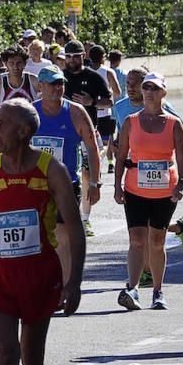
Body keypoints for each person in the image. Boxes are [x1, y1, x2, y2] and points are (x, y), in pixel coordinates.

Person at [0, 99, 85, 365]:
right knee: (6, 354)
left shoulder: (52, 170)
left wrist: (74, 281)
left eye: (1, 124)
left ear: (24, 131)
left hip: (39, 274)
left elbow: (74, 226)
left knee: (32, 357)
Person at [114, 72, 183, 311]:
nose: (149, 92)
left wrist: (181, 183)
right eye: (146, 88)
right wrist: (117, 185)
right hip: (135, 188)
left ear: (163, 93)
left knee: (156, 241)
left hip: (164, 190)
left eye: (155, 88)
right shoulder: (131, 121)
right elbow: (121, 154)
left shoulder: (174, 124)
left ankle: (158, 291)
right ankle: (132, 288)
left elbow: (182, 156)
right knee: (136, 240)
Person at [31, 66, 100, 287]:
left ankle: (64, 286)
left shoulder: (76, 112)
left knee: (63, 237)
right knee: (38, 237)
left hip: (66, 184)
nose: (57, 88)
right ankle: (41, 283)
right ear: (40, 87)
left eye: (60, 83)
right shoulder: (30, 113)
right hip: (35, 185)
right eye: (52, 84)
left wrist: (96, 183)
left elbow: (91, 147)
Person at [62, 40, 112, 237]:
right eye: (68, 56)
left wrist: (92, 102)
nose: (72, 60)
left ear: (84, 56)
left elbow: (109, 101)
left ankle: (85, 219)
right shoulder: (61, 78)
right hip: (65, 134)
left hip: (88, 133)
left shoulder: (93, 77)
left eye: (76, 56)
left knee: (87, 176)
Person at [89, 45, 121, 174]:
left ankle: (94, 165)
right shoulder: (108, 72)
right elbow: (117, 92)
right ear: (103, 57)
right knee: (106, 142)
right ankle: (103, 163)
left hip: (89, 112)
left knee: (91, 142)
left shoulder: (85, 71)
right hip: (104, 112)